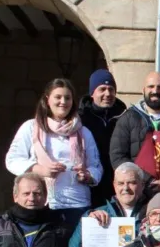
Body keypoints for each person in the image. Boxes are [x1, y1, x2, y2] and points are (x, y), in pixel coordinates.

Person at [6, 78, 102, 226]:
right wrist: (40, 169)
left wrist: (88, 175)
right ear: (47, 99)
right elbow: (12, 160)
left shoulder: (83, 132)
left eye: (67, 98)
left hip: (77, 204)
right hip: (44, 204)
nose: (63, 102)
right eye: (58, 97)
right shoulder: (31, 128)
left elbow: (96, 167)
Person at [80, 69, 127, 207]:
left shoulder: (124, 116)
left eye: (111, 89)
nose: (107, 94)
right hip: (89, 181)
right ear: (92, 92)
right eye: (102, 89)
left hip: (116, 181)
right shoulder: (81, 118)